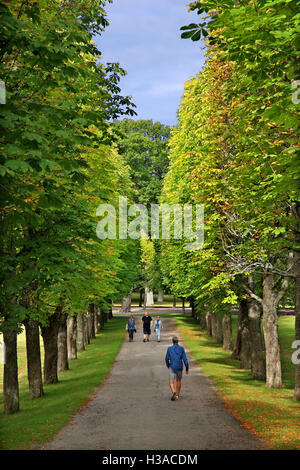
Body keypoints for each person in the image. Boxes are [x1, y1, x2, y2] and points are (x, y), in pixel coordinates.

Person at [165, 336, 189, 401]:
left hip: (172, 367)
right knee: (178, 381)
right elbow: (185, 360)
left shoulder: (169, 348)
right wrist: (187, 368)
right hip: (179, 367)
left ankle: (174, 391)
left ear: (172, 342)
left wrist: (168, 365)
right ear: (178, 341)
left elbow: (166, 358)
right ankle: (177, 395)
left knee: (171, 382)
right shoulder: (181, 348)